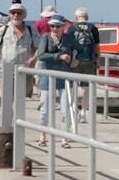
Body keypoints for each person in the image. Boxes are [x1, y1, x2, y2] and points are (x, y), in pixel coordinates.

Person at [36, 14, 77, 148]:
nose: (54, 28)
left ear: (63, 26)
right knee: (45, 108)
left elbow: (77, 52)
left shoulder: (69, 39)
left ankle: (64, 137)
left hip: (65, 76)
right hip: (48, 76)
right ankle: (42, 135)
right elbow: (41, 55)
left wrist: (74, 59)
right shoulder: (46, 38)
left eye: (57, 26)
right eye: (52, 26)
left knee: (66, 108)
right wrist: (59, 56)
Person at [0, 3, 39, 100]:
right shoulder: (3, 30)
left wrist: (34, 58)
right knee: (7, 98)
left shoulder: (31, 30)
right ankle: (7, 109)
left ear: (24, 15)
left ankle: (16, 115)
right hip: (6, 69)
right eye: (13, 13)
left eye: (19, 13)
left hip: (24, 70)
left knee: (21, 99)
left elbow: (39, 47)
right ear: (10, 14)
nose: (16, 15)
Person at [67, 7, 100, 123]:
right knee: (86, 89)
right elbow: (97, 46)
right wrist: (97, 60)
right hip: (89, 61)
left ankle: (74, 110)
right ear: (87, 17)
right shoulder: (93, 28)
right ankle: (83, 113)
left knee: (73, 86)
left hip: (75, 61)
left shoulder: (71, 28)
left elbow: (68, 45)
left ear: (76, 17)